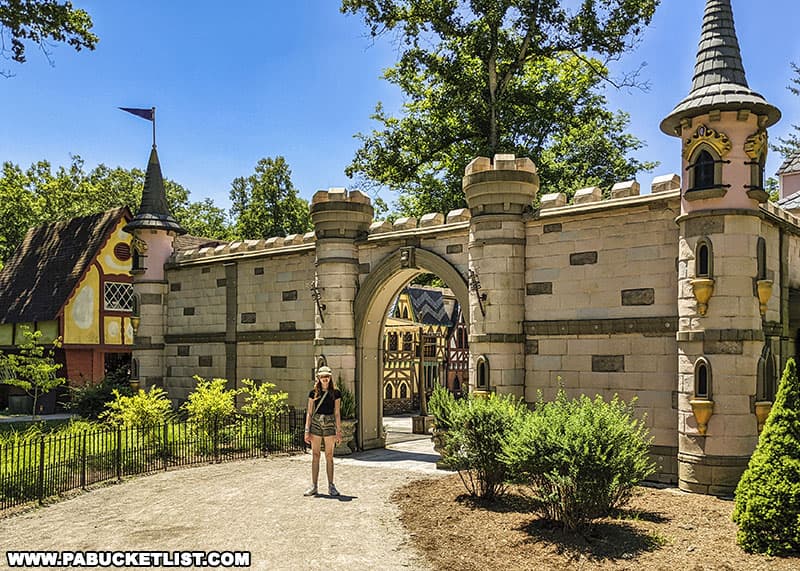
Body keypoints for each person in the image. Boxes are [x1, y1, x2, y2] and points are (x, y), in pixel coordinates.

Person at [303, 365, 342, 496]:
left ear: (330, 378)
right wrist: (306, 430)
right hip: (316, 424)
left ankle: (331, 485)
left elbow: (337, 413)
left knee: (329, 456)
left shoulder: (335, 393)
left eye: (327, 376)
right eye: (322, 377)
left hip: (330, 424)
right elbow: (309, 412)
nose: (325, 379)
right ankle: (314, 485)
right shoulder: (313, 393)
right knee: (315, 455)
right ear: (318, 378)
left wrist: (339, 431)